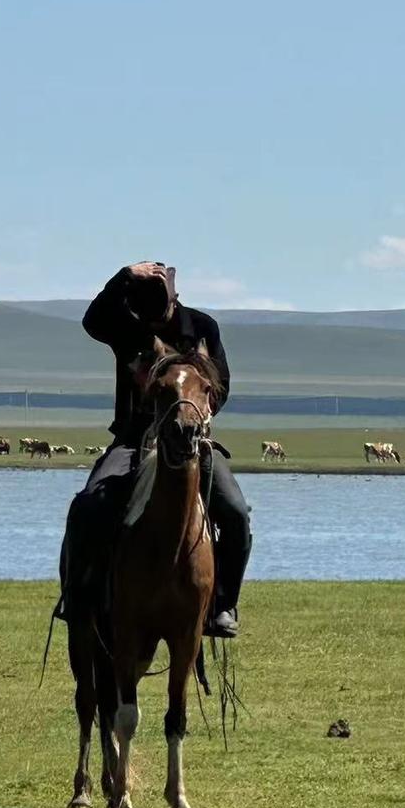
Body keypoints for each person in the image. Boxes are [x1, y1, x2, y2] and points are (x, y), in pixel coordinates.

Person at [59, 261, 251, 639]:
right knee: (87, 506)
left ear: (175, 299)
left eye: (160, 310)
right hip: (133, 440)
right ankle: (77, 595)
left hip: (190, 442)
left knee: (236, 514)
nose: (154, 320)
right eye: (145, 311)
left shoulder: (202, 328)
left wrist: (198, 410)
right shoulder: (129, 327)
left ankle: (222, 604)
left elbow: (221, 385)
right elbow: (92, 319)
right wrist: (123, 276)